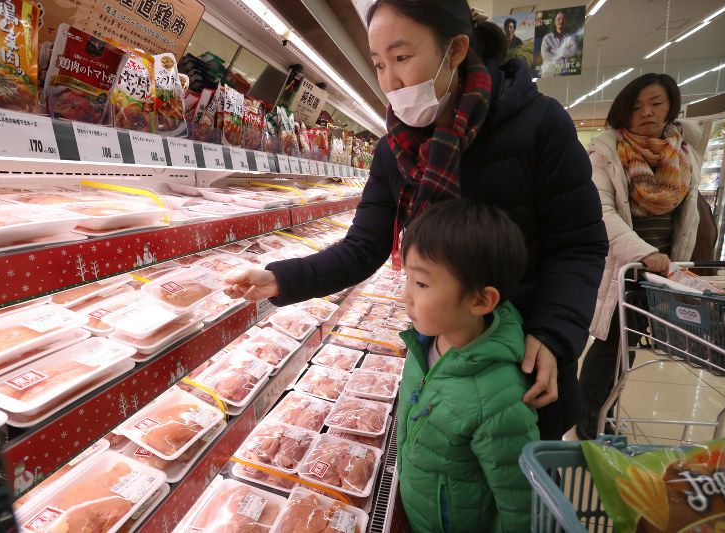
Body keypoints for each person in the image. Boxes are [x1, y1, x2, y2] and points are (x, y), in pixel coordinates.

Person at [225, 0, 608, 441]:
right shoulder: (394, 150)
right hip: (439, 359)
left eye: (402, 57)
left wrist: (554, 333)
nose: (390, 81)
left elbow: (578, 243)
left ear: (456, 49)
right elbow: (362, 248)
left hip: (520, 367)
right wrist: (278, 278)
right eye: (379, 64)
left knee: (511, 476)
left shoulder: (539, 123)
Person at [397, 198, 538, 533]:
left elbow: (520, 506)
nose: (406, 295)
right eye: (407, 278)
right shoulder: (429, 341)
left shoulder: (499, 401)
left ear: (480, 300)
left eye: (421, 283)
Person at [577, 73, 703, 440]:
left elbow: (688, 219)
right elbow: (601, 213)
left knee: (628, 351)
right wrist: (644, 252)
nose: (646, 112)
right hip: (622, 267)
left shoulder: (684, 154)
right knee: (608, 348)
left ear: (671, 106)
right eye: (636, 107)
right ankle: (589, 425)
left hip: (663, 271)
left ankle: (604, 417)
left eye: (656, 103)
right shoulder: (606, 152)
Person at [540, 11, 578, 76]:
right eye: (558, 19)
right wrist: (564, 53)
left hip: (564, 75)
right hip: (547, 75)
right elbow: (544, 55)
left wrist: (554, 51)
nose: (561, 21)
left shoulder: (572, 37)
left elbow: (572, 52)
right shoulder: (547, 38)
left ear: (567, 22)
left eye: (563, 19)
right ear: (555, 22)